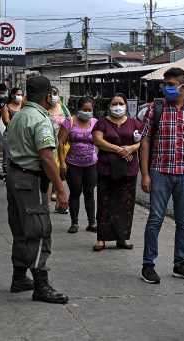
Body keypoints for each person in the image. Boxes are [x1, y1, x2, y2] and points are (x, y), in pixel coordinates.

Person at [140, 67, 184, 284]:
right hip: (159, 172)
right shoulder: (156, 108)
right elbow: (145, 140)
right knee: (155, 220)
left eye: (171, 84)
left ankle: (181, 263)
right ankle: (148, 265)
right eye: (165, 84)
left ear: (183, 86)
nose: (166, 88)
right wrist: (145, 174)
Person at [6, 75, 69, 304]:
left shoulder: (19, 116)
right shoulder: (40, 120)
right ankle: (41, 286)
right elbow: (47, 158)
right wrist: (61, 190)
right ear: (47, 96)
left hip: (15, 177)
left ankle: (19, 277)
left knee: (21, 230)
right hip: (31, 181)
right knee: (39, 231)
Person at [91, 93, 141, 251]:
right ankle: (102, 238)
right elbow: (98, 140)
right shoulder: (102, 123)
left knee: (125, 204)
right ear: (109, 106)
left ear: (126, 105)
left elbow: (143, 141)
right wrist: (118, 149)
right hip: (107, 169)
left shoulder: (135, 123)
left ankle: (123, 238)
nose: (117, 106)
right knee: (105, 203)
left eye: (120, 103)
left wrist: (132, 148)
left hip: (129, 169)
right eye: (114, 103)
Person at [58, 96, 98, 234]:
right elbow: (61, 143)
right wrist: (62, 162)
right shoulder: (69, 122)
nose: (87, 112)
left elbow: (101, 141)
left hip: (91, 163)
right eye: (84, 109)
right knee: (75, 193)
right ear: (78, 109)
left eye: (89, 110)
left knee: (90, 193)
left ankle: (92, 222)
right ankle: (74, 223)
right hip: (73, 164)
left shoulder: (95, 123)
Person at [47, 86, 70, 213]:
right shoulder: (44, 110)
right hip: (49, 146)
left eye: (55, 93)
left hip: (62, 146)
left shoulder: (63, 108)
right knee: (50, 175)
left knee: (62, 174)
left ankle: (60, 205)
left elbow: (70, 122)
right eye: (51, 94)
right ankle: (46, 206)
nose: (53, 96)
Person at [0, 87, 23, 180]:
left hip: (22, 135)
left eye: (21, 95)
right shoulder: (6, 107)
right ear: (13, 96)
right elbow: (6, 122)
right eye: (18, 95)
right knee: (10, 156)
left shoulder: (24, 106)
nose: (20, 97)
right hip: (10, 135)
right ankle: (9, 176)